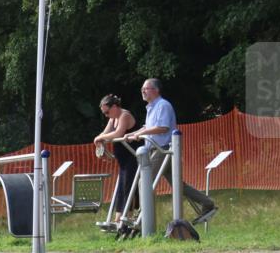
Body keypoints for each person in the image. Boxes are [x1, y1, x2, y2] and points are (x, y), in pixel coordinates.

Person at [124, 79, 217, 224]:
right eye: (142, 88)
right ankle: (207, 203)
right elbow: (147, 127)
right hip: (158, 149)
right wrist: (132, 134)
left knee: (145, 180)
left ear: (156, 90)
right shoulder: (151, 107)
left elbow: (163, 128)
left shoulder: (163, 105)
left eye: (146, 88)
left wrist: (139, 135)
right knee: (178, 185)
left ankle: (143, 219)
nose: (143, 91)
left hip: (163, 149)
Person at [93, 94, 139, 222]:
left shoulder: (125, 115)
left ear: (114, 107)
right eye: (104, 113)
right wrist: (98, 139)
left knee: (128, 187)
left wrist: (101, 138)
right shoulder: (113, 118)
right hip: (123, 160)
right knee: (121, 187)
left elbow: (118, 133)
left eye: (107, 112)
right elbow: (105, 132)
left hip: (132, 157)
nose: (106, 115)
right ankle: (119, 218)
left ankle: (126, 218)